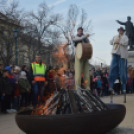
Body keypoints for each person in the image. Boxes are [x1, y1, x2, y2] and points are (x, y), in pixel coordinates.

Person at [108, 27, 128, 94]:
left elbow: (126, 43)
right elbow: (110, 42)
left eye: (121, 30)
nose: (120, 31)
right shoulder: (115, 36)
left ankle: (124, 86)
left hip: (122, 56)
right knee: (112, 69)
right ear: (118, 31)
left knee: (122, 71)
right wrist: (114, 42)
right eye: (119, 30)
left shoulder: (125, 37)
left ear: (123, 31)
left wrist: (120, 42)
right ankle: (111, 85)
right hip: (115, 54)